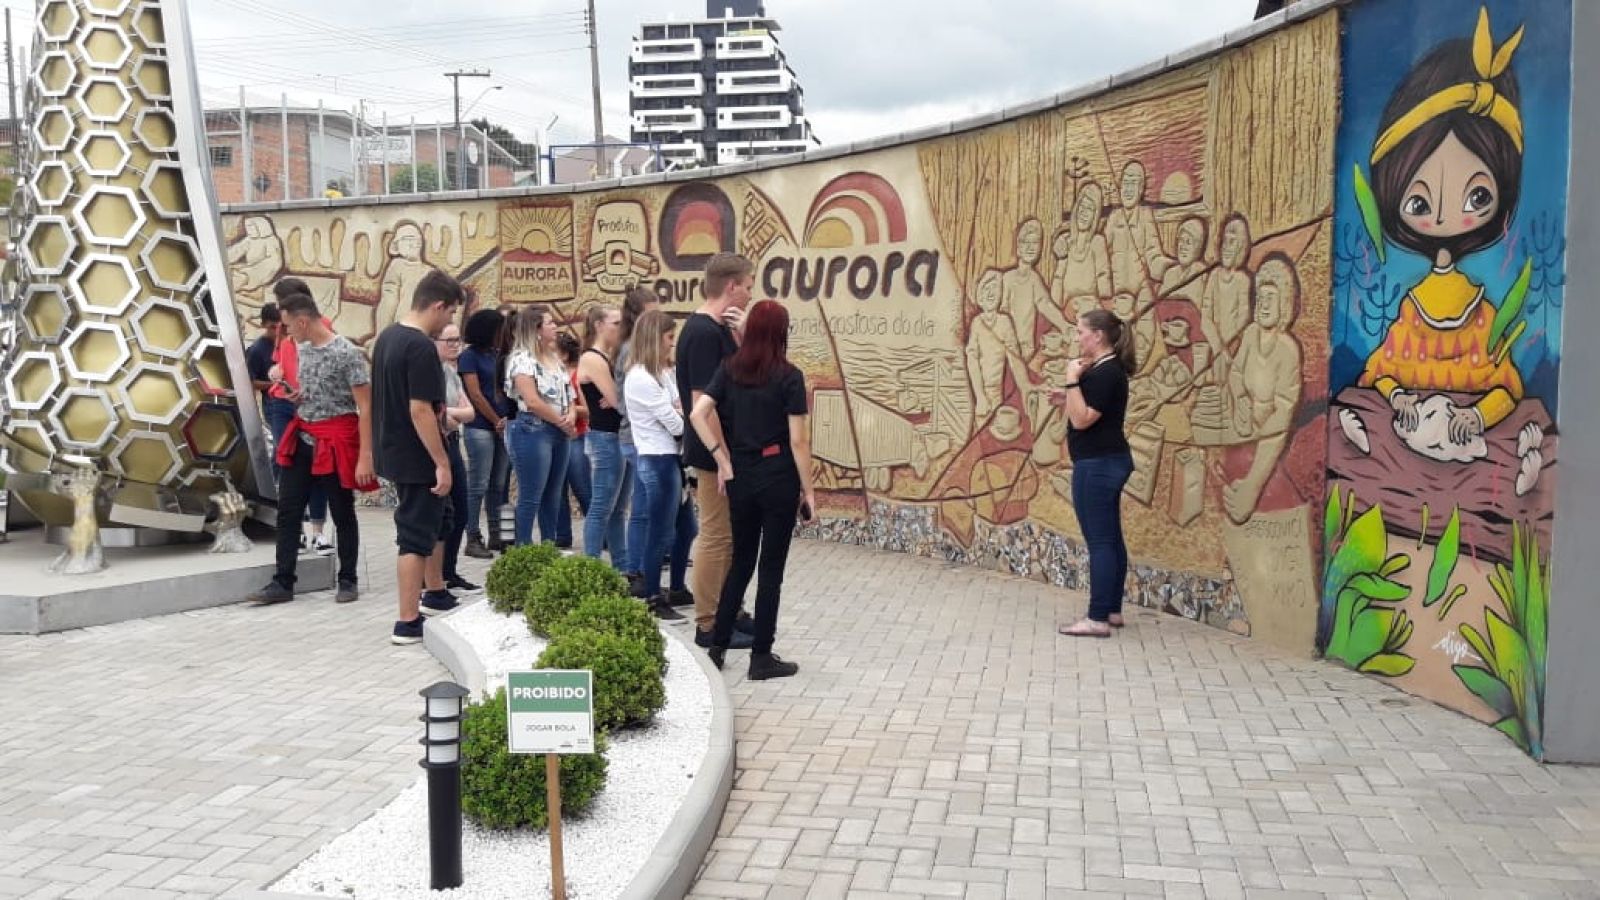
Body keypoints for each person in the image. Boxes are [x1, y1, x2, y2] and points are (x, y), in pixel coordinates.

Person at [689, 301, 816, 680]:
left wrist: (722, 460)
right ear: (781, 333)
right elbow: (798, 441)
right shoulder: (790, 376)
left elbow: (697, 413)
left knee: (741, 563)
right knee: (770, 570)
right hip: (778, 476)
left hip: (741, 475)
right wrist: (809, 491)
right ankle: (761, 656)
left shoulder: (729, 370)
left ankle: (717, 647)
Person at [247, 292, 374, 606]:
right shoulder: (300, 348)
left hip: (335, 440)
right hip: (303, 436)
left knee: (342, 511)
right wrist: (293, 393)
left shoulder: (347, 353)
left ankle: (348, 579)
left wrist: (365, 456)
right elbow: (308, 388)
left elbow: (366, 407)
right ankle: (283, 581)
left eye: (288, 325)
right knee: (288, 510)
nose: (285, 331)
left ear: (302, 321)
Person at [372, 270, 467, 645]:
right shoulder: (420, 347)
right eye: (451, 312)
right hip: (416, 454)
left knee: (439, 520)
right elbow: (420, 410)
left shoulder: (388, 338)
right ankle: (407, 621)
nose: (451, 321)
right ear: (438, 306)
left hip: (397, 449)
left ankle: (436, 592)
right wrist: (441, 462)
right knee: (414, 534)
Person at [677, 253, 756, 645]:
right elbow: (702, 406)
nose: (751, 294)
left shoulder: (719, 330)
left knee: (731, 536)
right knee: (716, 535)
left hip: (729, 450)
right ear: (731, 286)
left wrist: (743, 337)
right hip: (714, 453)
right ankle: (708, 624)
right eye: (748, 285)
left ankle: (730, 610)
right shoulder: (703, 334)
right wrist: (723, 458)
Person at [1053, 308, 1136, 638]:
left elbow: (1083, 419)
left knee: (1100, 542)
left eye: (1080, 331)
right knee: (1111, 538)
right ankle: (1112, 610)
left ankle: (1097, 618)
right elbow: (1089, 409)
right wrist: (1067, 396)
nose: (1077, 337)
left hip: (1098, 464)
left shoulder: (1106, 372)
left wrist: (1071, 379)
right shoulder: (1105, 370)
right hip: (1106, 460)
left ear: (1098, 335)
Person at [625, 310, 692, 622]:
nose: (672, 343)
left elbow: (682, 407)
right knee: (660, 532)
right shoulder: (640, 377)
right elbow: (677, 424)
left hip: (671, 458)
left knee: (687, 528)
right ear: (654, 339)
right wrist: (680, 413)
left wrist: (680, 411)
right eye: (668, 337)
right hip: (658, 460)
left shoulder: (662, 373)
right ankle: (653, 596)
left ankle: (676, 587)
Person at [266, 278, 334, 556]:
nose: (279, 310)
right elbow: (280, 361)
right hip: (283, 403)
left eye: (281, 302)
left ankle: (318, 532)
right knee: (286, 464)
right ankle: (296, 531)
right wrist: (275, 372)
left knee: (317, 468)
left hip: (311, 405)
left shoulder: (322, 326)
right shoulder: (284, 329)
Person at [504, 305, 579, 546]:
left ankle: (548, 545)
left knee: (553, 495)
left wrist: (571, 414)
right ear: (536, 329)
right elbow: (533, 401)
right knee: (531, 495)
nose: (555, 327)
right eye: (550, 323)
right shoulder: (522, 360)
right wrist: (561, 421)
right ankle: (523, 548)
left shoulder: (554, 358)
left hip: (559, 431)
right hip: (533, 429)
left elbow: (569, 394)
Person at [577, 304, 629, 570]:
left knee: (617, 509)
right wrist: (620, 397)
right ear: (598, 325)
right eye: (615, 323)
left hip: (617, 436)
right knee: (601, 507)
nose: (620, 328)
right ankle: (590, 567)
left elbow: (619, 398)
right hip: (605, 438)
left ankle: (622, 566)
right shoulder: (592, 358)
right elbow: (618, 401)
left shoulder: (608, 357)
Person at [458, 308, 511, 557]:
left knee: (498, 484)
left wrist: (505, 420)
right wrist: (496, 420)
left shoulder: (497, 354)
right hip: (480, 426)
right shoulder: (469, 357)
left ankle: (497, 535)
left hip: (502, 426)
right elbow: (475, 394)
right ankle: (472, 536)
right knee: (478, 484)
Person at [435, 320, 480, 592]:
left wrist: (450, 413)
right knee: (441, 514)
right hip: (436, 445)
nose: (455, 346)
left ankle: (449, 571)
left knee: (460, 511)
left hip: (453, 442)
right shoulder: (431, 373)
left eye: (457, 340)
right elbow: (436, 415)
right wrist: (450, 415)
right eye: (449, 340)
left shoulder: (452, 372)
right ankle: (433, 576)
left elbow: (469, 412)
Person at [617, 288, 657, 590]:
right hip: (637, 437)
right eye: (651, 313)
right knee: (643, 509)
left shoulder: (642, 348)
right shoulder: (631, 351)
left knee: (645, 506)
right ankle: (636, 571)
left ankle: (641, 568)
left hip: (643, 437)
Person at [554, 331, 592, 550]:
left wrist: (570, 408)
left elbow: (588, 410)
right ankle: (562, 535)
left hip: (576, 436)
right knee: (557, 489)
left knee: (582, 486)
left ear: (565, 355)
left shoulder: (576, 375)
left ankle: (599, 533)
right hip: (556, 436)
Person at [246, 302, 290, 446]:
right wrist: (276, 384)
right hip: (273, 405)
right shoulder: (256, 350)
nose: (278, 332)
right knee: (283, 446)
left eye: (282, 327)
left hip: (293, 401)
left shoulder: (290, 342)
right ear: (263, 325)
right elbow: (250, 382)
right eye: (273, 327)